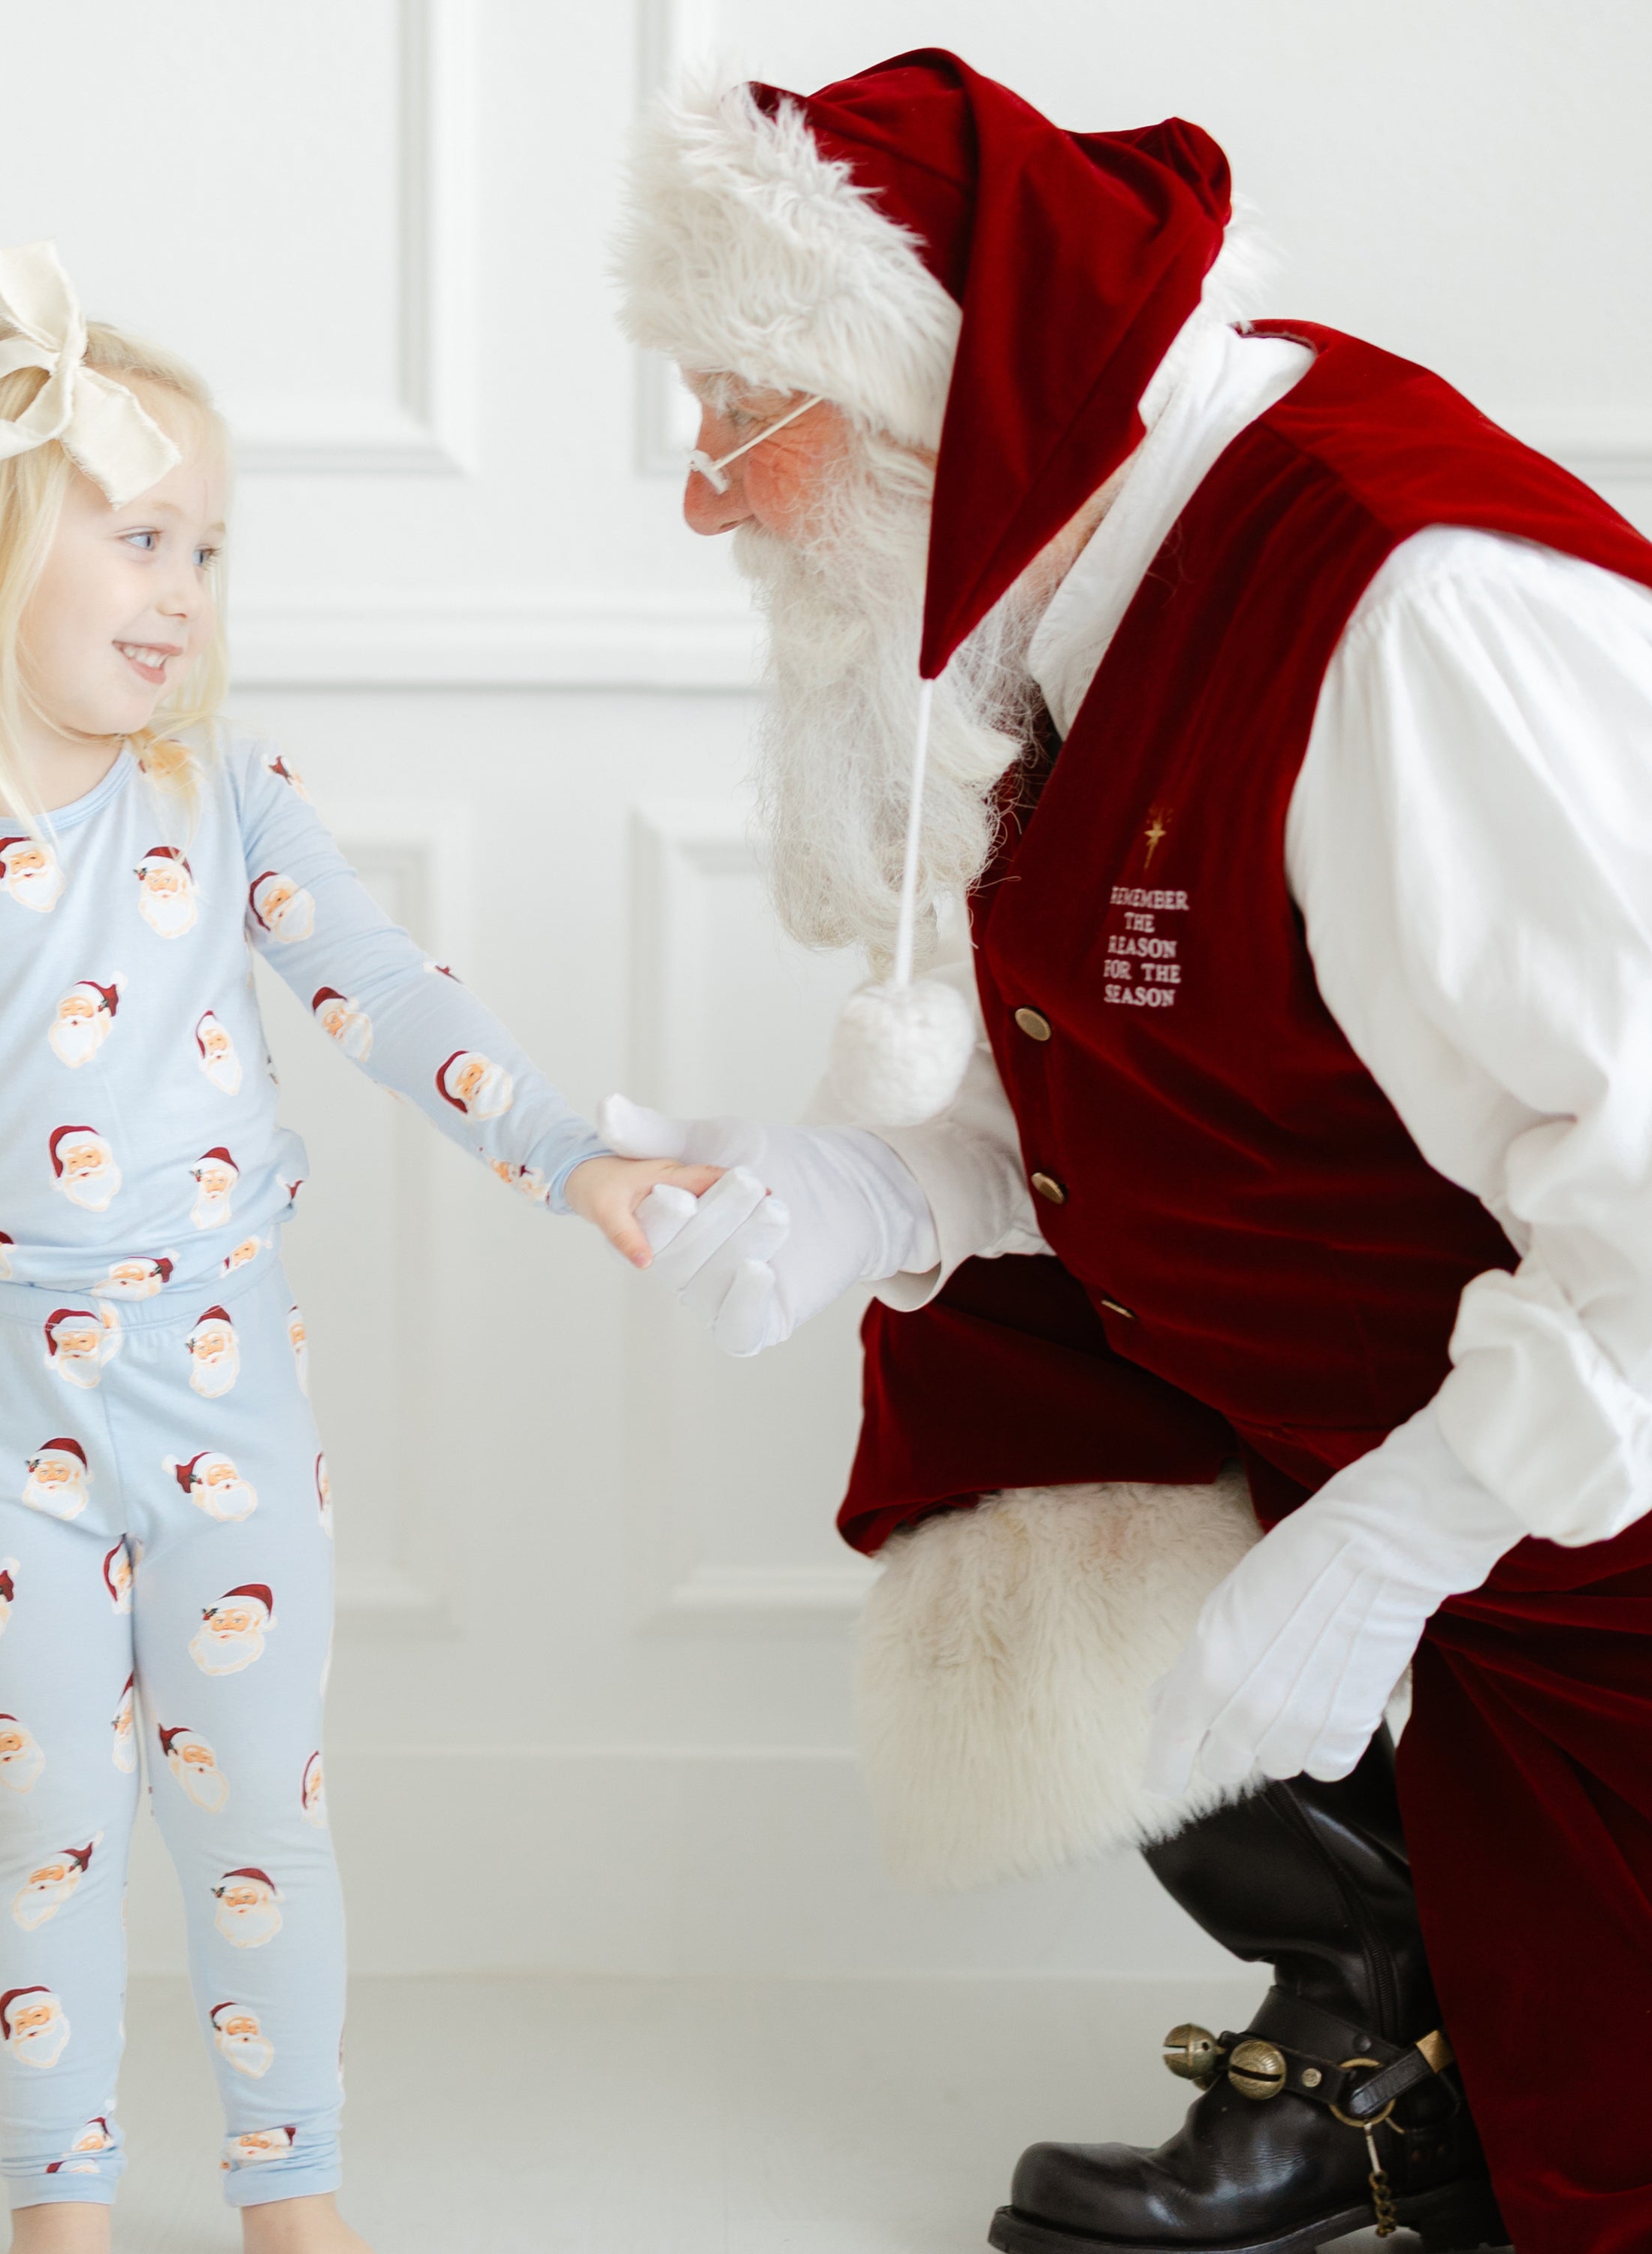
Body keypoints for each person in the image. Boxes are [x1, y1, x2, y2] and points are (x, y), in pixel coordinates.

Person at [608, 48, 1652, 2254]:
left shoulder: (1403, 610)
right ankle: (1380, 2001)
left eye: (737, 416)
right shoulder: (1066, 598)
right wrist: (866, 1185)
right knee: (984, 1350)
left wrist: (1397, 1546)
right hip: (1407, 1364)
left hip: (1606, 1483)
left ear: (927, 407)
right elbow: (1133, 1070)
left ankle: (1488, 2037)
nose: (709, 499)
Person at [0, 242, 711, 2254]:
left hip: (223, 1387)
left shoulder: (221, 799)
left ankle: (289, 2197)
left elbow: (386, 992)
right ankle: (59, 2207)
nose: (185, 591)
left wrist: (568, 1152)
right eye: (142, 537)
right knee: (41, 1831)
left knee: (257, 1816)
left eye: (209, 550)